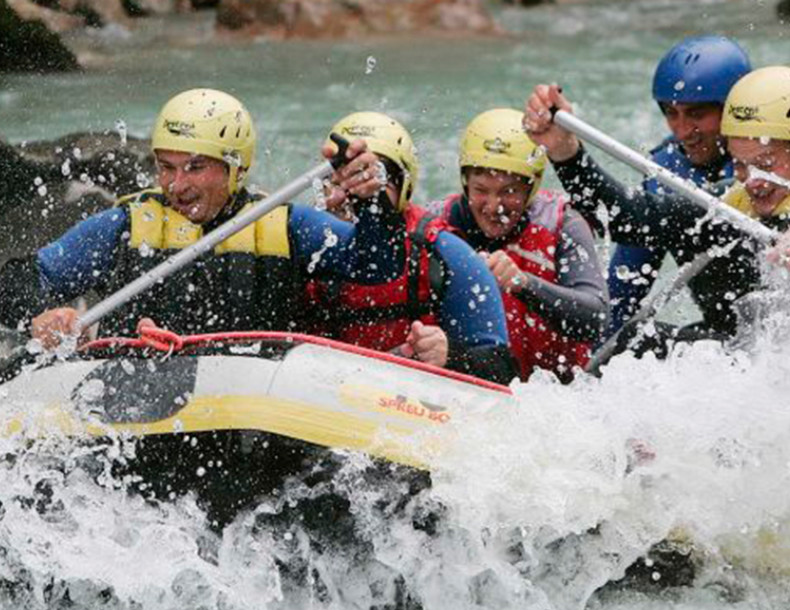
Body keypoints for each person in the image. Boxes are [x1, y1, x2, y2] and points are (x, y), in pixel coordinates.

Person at [524, 66, 790, 354]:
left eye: (766, 163)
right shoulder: (727, 207)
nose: (753, 182)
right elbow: (625, 217)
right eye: (741, 165)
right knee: (639, 343)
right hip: (743, 367)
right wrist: (566, 153)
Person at [0, 88, 387, 348]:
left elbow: (378, 265)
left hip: (253, 420)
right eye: (165, 167)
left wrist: (371, 201)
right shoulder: (125, 227)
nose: (175, 184)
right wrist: (38, 318)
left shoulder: (286, 225)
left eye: (195, 167)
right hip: (141, 414)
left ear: (236, 167)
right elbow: (13, 285)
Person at [304, 112, 518, 385]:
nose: (353, 196)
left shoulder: (447, 254)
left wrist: (451, 355)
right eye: (338, 183)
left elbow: (503, 369)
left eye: (369, 183)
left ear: (404, 188)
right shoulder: (303, 244)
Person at [426, 108, 607, 382]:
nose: (493, 206)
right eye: (481, 190)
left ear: (531, 187)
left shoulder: (564, 224)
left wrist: (524, 284)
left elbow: (596, 317)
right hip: (467, 383)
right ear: (465, 183)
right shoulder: (434, 226)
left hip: (553, 394)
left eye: (509, 192)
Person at [605, 35, 752, 341]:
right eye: (672, 113)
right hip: (724, 336)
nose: (683, 131)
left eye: (697, 114)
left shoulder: (780, 160)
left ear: (734, 109)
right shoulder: (666, 171)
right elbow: (624, 289)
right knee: (633, 339)